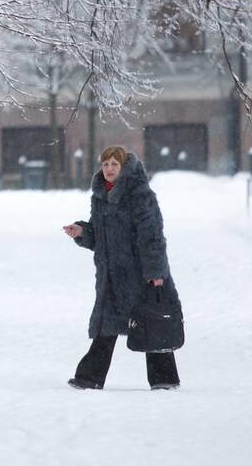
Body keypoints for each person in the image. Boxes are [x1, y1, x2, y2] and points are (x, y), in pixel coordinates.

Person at [61, 145, 181, 391]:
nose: (109, 169)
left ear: (124, 166)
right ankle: (89, 378)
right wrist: (82, 231)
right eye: (105, 164)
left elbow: (152, 236)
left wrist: (156, 273)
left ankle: (165, 379)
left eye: (115, 164)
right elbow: (99, 237)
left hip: (141, 275)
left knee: (152, 323)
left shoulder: (139, 194)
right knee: (106, 327)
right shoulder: (101, 196)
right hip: (112, 276)